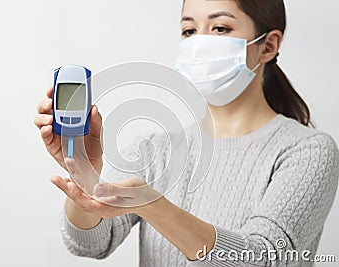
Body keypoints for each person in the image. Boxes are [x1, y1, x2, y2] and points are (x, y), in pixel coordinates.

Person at [34, 0, 339, 266]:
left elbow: (264, 258)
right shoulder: (158, 149)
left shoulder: (307, 151)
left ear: (268, 45)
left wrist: (152, 204)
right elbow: (90, 243)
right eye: (189, 31)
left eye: (220, 28)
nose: (200, 43)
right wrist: (84, 172)